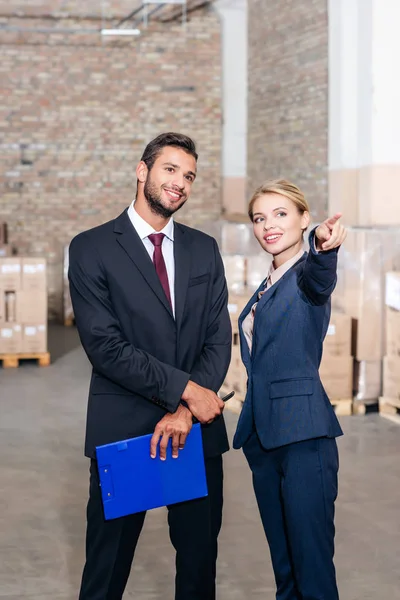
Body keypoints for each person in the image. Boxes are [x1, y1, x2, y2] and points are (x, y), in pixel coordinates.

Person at [68, 132, 232, 600]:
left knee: (199, 568)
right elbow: (105, 347)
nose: (179, 182)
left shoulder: (204, 249)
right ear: (142, 171)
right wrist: (188, 389)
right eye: (170, 169)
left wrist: (186, 410)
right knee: (107, 570)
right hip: (125, 430)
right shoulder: (92, 248)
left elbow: (218, 339)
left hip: (193, 430)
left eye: (189, 176)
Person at [233, 179, 347, 600]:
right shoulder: (266, 285)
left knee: (311, 570)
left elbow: (321, 277)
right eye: (260, 218)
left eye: (281, 214)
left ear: (304, 219)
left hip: (303, 439)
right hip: (263, 441)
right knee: (285, 571)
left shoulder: (305, 277)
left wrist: (324, 247)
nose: (268, 226)